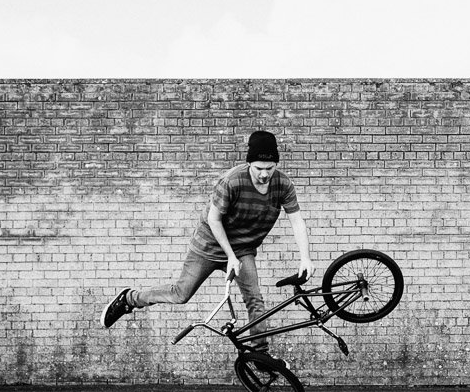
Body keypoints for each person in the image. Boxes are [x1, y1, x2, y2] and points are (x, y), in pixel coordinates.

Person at [102, 130, 313, 328]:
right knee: (181, 294)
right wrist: (229, 256)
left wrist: (305, 257)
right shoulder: (231, 181)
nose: (265, 174)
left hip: (242, 250)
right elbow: (214, 220)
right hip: (208, 245)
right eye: (259, 168)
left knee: (255, 301)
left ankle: (260, 356)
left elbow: (297, 221)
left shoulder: (283, 184)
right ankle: (130, 298)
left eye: (270, 168)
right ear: (249, 163)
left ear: (276, 164)